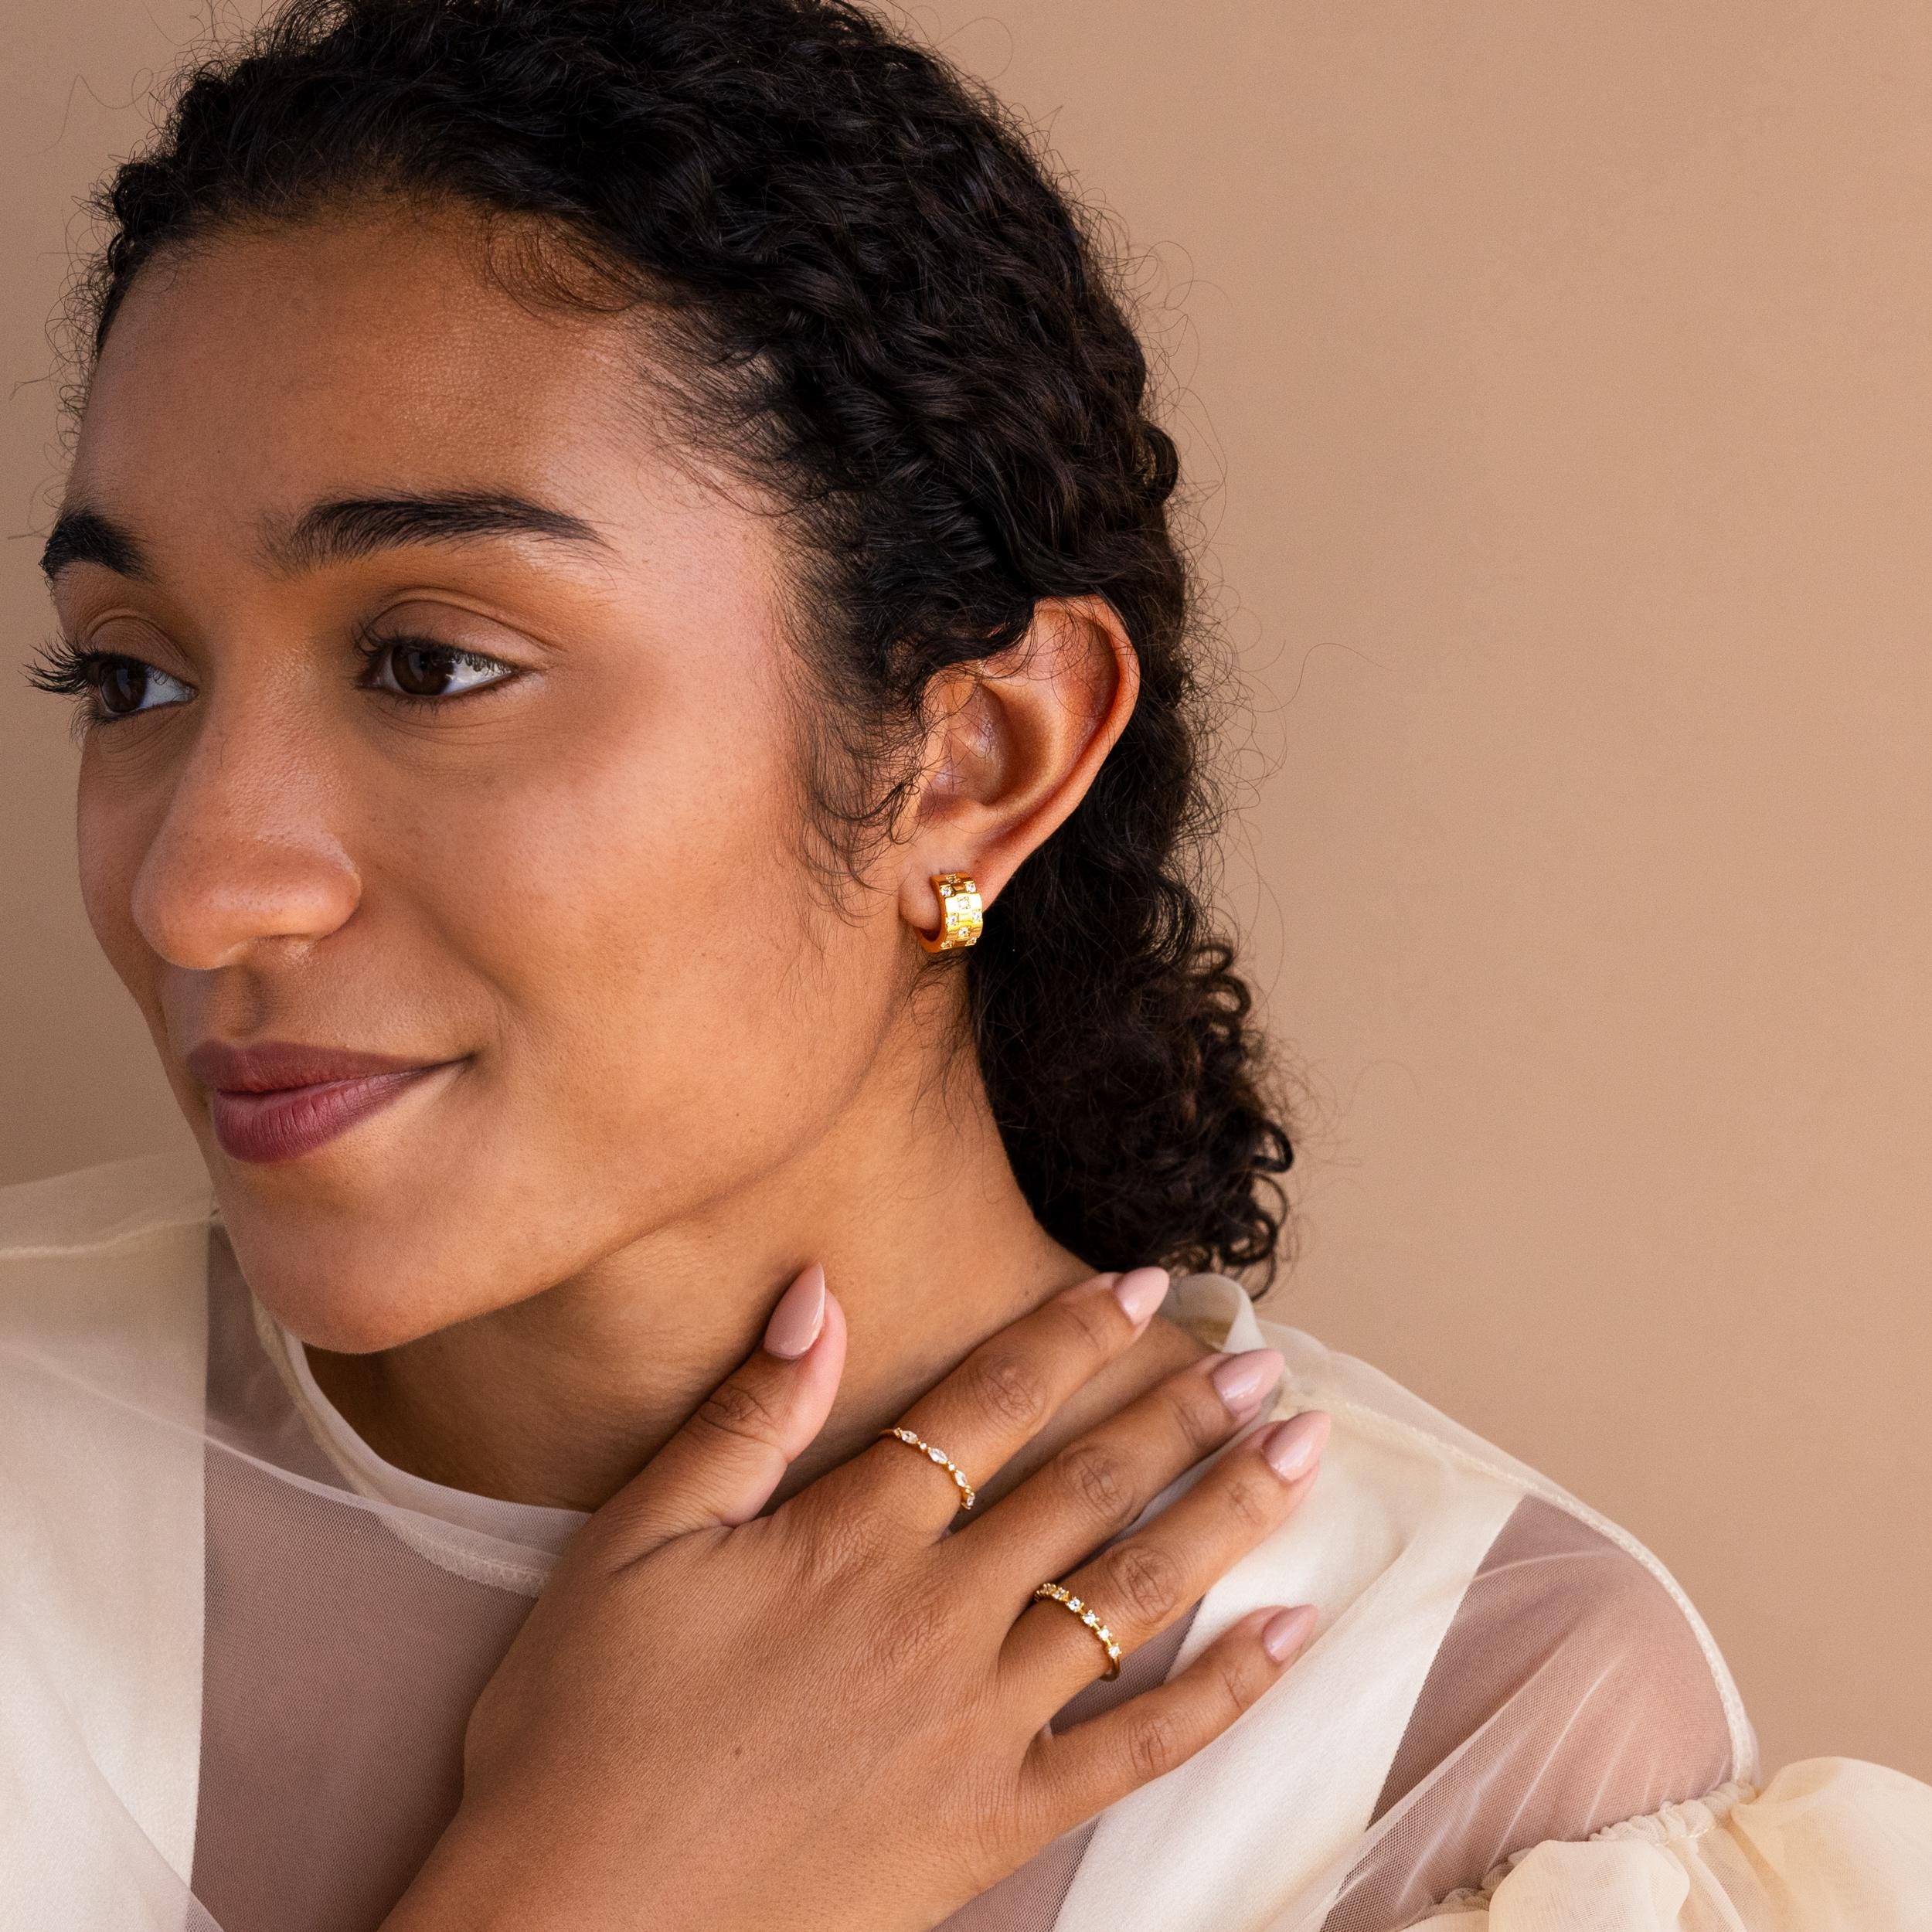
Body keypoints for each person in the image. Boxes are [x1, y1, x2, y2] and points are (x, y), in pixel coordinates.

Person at [5, 2, 1928, 1927]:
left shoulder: (1466, 1738)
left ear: (969, 757)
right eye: (131, 676)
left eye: (431, 661)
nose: (197, 888)